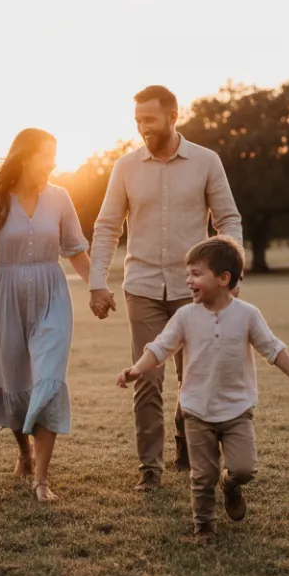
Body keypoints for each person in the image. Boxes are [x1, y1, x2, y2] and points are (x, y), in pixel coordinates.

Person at [118, 236, 289, 540]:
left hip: (236, 410)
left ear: (223, 278)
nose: (188, 281)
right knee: (202, 475)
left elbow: (273, 349)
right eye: (188, 274)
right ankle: (204, 526)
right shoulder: (185, 316)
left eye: (196, 274)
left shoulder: (247, 315)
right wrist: (137, 369)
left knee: (244, 469)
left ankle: (230, 485)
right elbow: (161, 346)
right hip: (196, 410)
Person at [89, 84, 244, 491]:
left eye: (150, 120)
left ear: (173, 117)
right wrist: (97, 282)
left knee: (195, 377)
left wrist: (231, 273)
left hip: (196, 290)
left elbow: (228, 220)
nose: (143, 128)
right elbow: (107, 227)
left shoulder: (206, 161)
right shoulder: (125, 167)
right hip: (141, 287)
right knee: (148, 378)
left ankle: (186, 443)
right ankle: (150, 470)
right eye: (138, 120)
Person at [0, 128, 92, 503]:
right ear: (25, 157)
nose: (52, 164)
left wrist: (97, 287)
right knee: (14, 383)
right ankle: (24, 453)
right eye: (46, 156)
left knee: (48, 379)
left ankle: (41, 479)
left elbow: (75, 249)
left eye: (55, 156)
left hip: (52, 295)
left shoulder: (60, 198)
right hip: (5, 296)